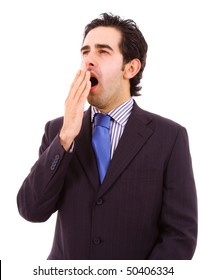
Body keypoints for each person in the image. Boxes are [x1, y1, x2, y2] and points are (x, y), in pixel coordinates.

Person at [17, 12, 197, 260]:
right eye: (85, 52)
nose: (89, 60)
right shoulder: (57, 131)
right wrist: (66, 137)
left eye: (103, 51)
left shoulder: (170, 137)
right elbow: (31, 210)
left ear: (131, 68)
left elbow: (180, 235)